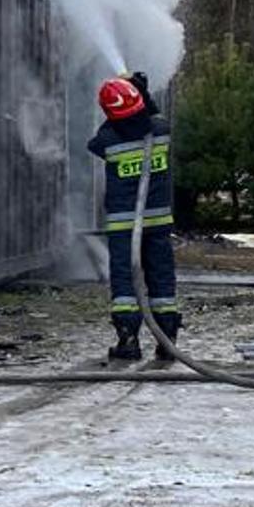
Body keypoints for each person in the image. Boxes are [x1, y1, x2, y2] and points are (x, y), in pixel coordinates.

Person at [87, 71, 179, 362]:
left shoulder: (108, 140)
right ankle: (168, 343)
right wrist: (141, 92)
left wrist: (118, 108)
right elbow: (152, 116)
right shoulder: (161, 131)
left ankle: (128, 342)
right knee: (162, 281)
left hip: (124, 226)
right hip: (159, 223)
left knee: (125, 284)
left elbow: (97, 140)